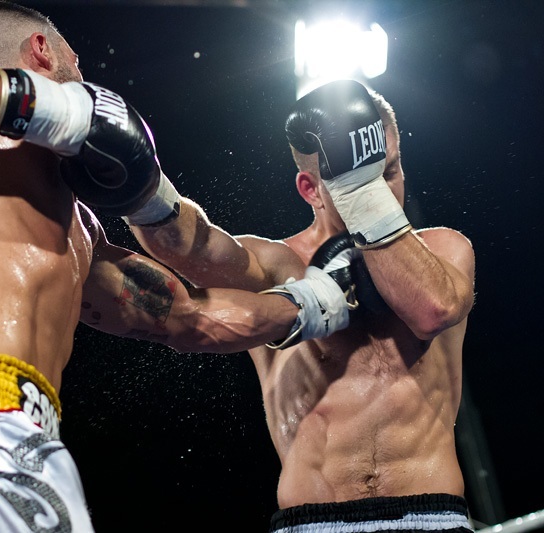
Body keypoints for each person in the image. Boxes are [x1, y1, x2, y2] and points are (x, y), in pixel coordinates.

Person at [0, 2, 354, 531]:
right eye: (77, 70)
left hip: (22, 438)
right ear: (43, 51)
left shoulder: (78, 230)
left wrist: (315, 304)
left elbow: (188, 318)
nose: (86, 89)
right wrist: (62, 108)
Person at [127, 79, 476, 532]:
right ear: (310, 189)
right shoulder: (278, 264)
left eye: (388, 171)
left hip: (432, 514)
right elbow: (187, 250)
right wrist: (134, 182)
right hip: (311, 521)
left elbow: (431, 309)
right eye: (359, 176)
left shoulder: (444, 250)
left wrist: (358, 189)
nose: (384, 190)